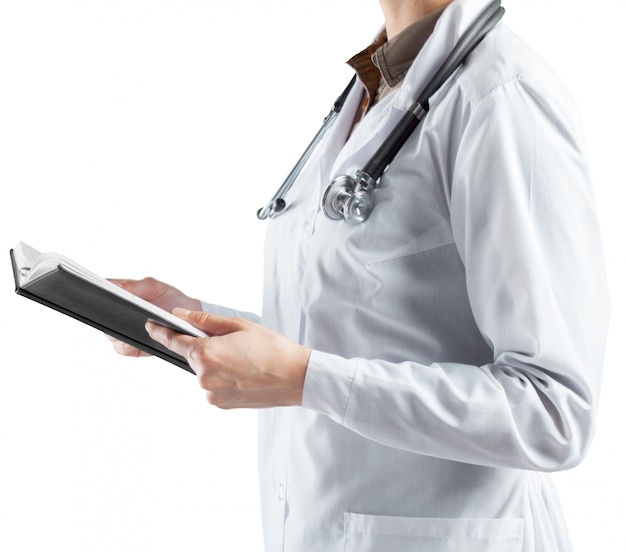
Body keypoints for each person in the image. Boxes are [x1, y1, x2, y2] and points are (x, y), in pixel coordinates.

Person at [109, 0, 610, 549]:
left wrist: (307, 379)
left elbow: (552, 410)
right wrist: (192, 320)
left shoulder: (502, 98)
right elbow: (351, 332)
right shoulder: (379, 85)